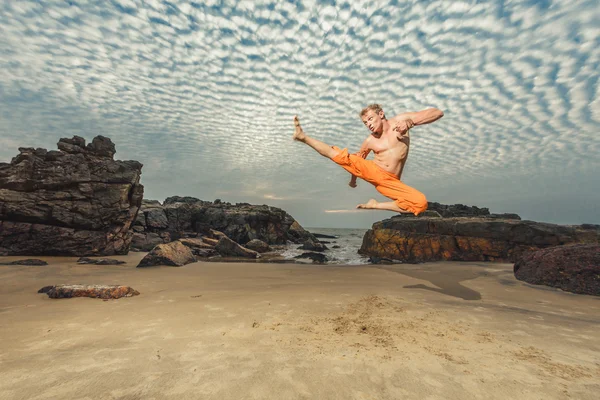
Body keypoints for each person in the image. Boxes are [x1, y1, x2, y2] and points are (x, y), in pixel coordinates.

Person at [292, 104, 444, 215]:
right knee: (342, 157)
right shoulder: (369, 141)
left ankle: (376, 205)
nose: (369, 125)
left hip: (391, 182)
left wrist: (410, 123)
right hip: (375, 171)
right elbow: (358, 161)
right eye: (365, 123)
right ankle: (303, 137)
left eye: (371, 119)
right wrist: (353, 181)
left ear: (381, 114)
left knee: (420, 203)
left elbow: (437, 112)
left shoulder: (401, 120)